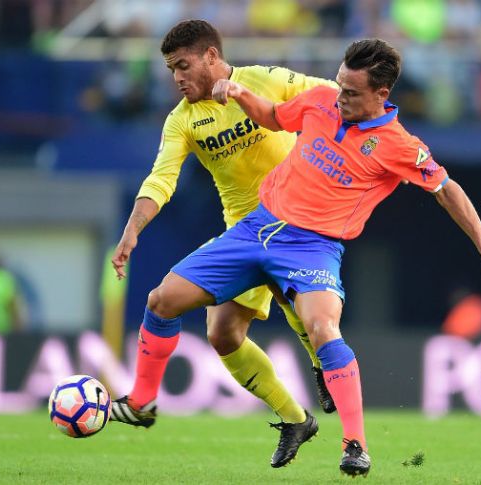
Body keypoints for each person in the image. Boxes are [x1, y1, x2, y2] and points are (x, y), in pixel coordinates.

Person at [110, 37, 481, 476]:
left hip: (312, 246)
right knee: (162, 301)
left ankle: (355, 445)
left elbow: (446, 190)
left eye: (350, 92)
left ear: (380, 95)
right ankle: (142, 402)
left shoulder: (400, 145)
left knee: (322, 328)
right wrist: (240, 95)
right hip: (255, 228)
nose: (339, 97)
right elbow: (274, 117)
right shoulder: (320, 101)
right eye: (339, 85)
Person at [109, 19, 338, 467]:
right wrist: (133, 228)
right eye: (171, 69)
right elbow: (161, 179)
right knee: (209, 327)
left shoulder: (262, 80)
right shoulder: (182, 120)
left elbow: (327, 92)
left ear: (212, 57)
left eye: (183, 65)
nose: (176, 78)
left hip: (296, 221)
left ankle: (323, 364)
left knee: (301, 307)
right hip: (243, 232)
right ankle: (295, 419)